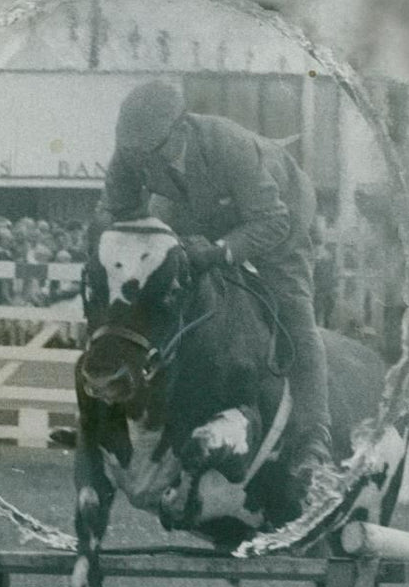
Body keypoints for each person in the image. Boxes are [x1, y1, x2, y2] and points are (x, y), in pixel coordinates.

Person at [98, 80, 333, 489]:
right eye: (137, 156)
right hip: (196, 210)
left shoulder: (230, 145)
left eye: (154, 152)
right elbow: (118, 215)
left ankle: (314, 441)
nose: (144, 163)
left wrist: (221, 252)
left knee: (296, 314)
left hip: (278, 215)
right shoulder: (133, 151)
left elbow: (272, 221)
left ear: (182, 128)